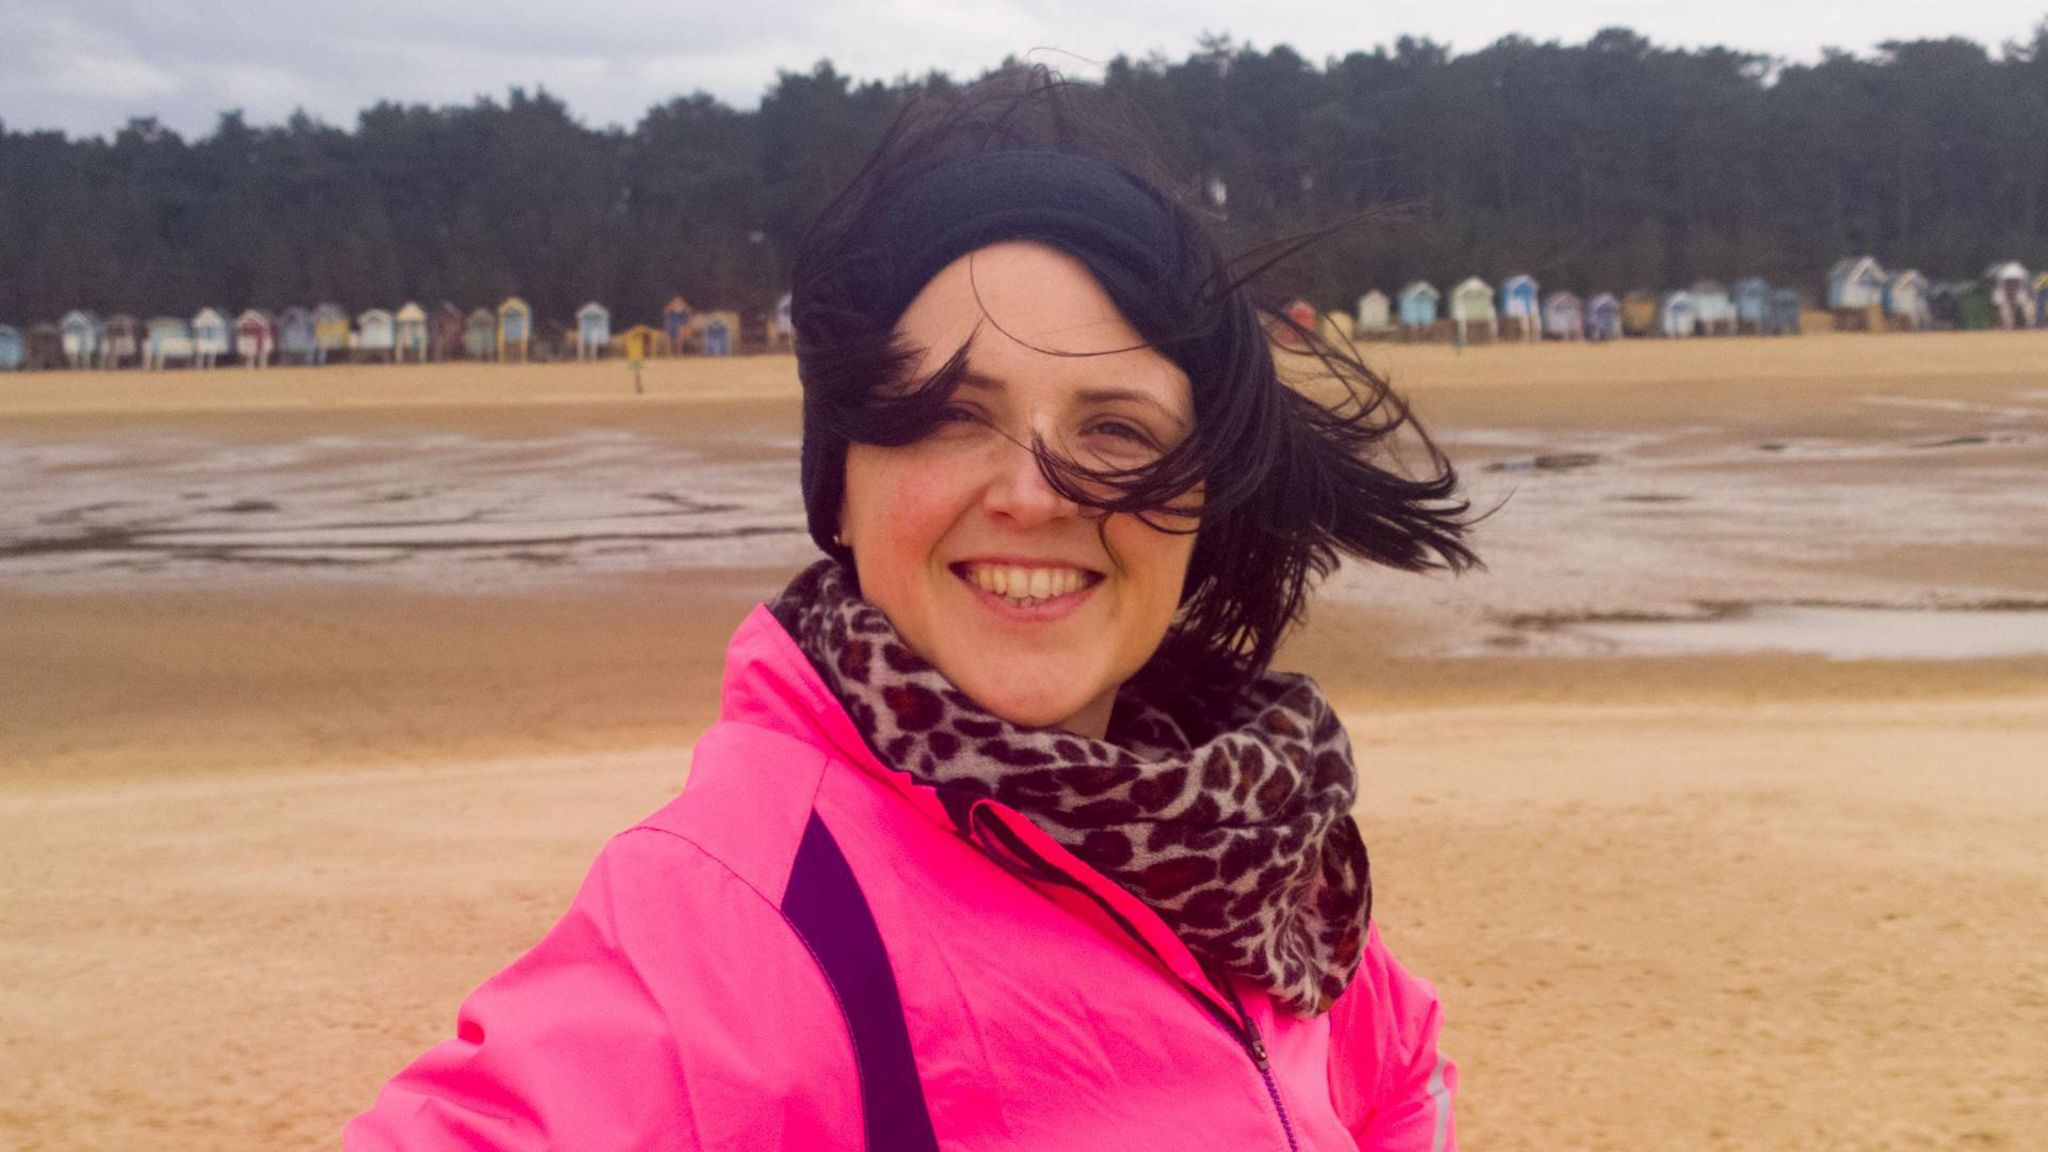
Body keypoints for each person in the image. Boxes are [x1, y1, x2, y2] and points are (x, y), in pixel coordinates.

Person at [347, 69, 1476, 1151]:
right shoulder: (757, 914)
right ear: (839, 480)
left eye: (1116, 430)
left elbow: (1394, 1066)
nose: (1031, 495)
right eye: (948, 415)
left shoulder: (1250, 843)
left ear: (1201, 497)